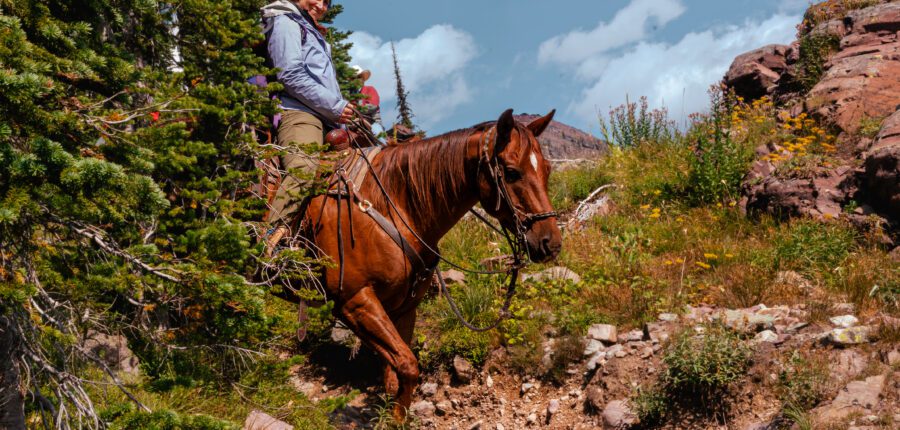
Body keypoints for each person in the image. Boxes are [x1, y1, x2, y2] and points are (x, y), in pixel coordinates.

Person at [260, 0, 354, 255]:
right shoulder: (285, 21)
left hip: (328, 116)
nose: (320, 5)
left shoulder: (309, 29)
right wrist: (335, 105)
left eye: (327, 2)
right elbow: (289, 73)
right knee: (303, 168)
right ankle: (268, 243)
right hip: (298, 112)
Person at [350, 65, 386, 141]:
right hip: (353, 124)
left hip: (372, 122)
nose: (356, 79)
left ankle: (385, 149)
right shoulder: (349, 95)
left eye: (359, 77)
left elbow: (373, 106)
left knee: (379, 136)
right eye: (353, 78)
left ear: (363, 79)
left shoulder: (370, 89)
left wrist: (354, 109)